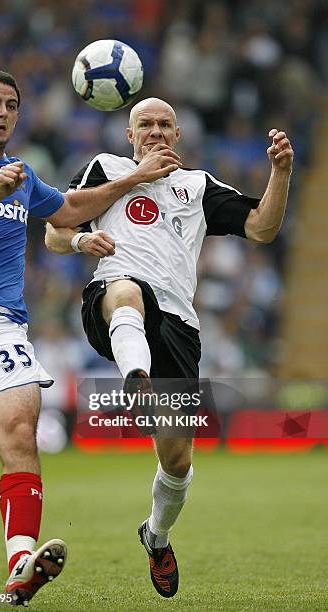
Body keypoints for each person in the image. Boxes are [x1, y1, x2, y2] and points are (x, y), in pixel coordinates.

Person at [45, 96, 294, 598]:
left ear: (178, 136)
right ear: (129, 135)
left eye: (164, 125)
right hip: (115, 296)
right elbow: (57, 227)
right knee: (127, 291)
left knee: (177, 461)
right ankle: (135, 379)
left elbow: (262, 227)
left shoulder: (197, 186)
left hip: (179, 325)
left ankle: (156, 537)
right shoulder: (105, 169)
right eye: (145, 125)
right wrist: (80, 242)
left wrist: (281, 172)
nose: (155, 131)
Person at [0, 71, 180, 607]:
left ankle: (19, 567)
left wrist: (130, 180)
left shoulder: (24, 175)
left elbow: (71, 210)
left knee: (21, 435)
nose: (3, 114)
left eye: (11, 105)